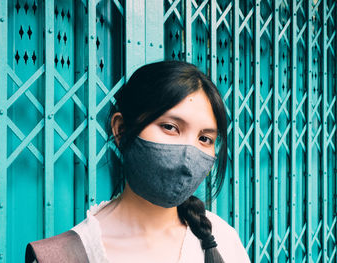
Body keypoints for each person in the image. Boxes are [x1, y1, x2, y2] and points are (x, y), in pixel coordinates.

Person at [25, 61, 250, 263]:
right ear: (121, 130)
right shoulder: (63, 255)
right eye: (170, 127)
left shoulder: (224, 240)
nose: (188, 153)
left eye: (204, 139)